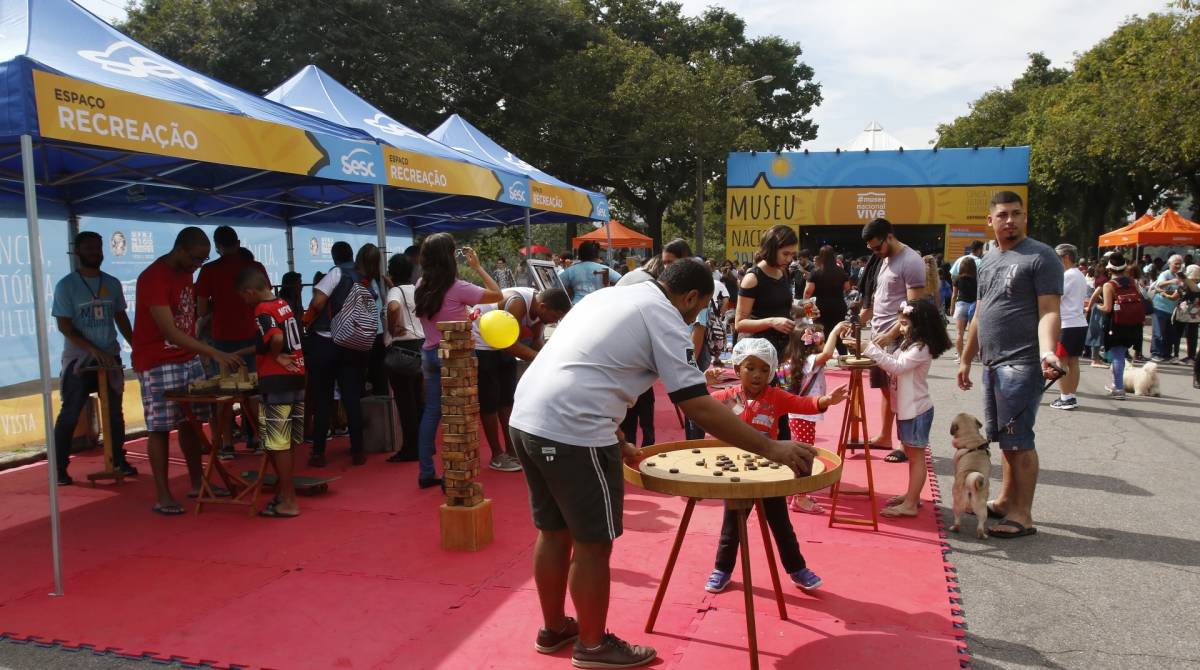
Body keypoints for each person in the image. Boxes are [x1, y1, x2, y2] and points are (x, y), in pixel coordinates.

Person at [508, 259, 815, 669]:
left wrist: (616, 436)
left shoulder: (607, 296)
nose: (695, 316)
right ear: (691, 297)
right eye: (699, 307)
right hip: (573, 431)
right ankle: (593, 646)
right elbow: (695, 403)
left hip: (527, 417)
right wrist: (771, 447)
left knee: (553, 531)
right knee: (593, 543)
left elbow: (585, 366)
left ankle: (553, 628)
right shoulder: (665, 317)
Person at [701, 337, 847, 595]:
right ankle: (722, 569)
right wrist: (705, 381)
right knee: (732, 526)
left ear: (771, 372)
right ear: (737, 369)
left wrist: (826, 401)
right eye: (750, 368)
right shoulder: (727, 397)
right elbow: (701, 407)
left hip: (771, 472)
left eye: (764, 369)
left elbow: (801, 404)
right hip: (738, 474)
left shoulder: (775, 397)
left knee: (781, 524)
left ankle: (797, 568)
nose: (757, 374)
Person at [957, 191, 1062, 540]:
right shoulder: (988, 260)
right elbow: (980, 313)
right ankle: (1003, 500)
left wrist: (1047, 352)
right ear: (990, 220)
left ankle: (1023, 515)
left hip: (1021, 361)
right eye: (1003, 215)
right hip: (992, 362)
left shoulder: (1041, 256)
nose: (1010, 221)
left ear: (1024, 218)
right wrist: (965, 358)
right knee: (1004, 441)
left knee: (1020, 442)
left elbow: (1049, 310)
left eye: (1017, 214)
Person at [132, 227, 243, 515]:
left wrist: (199, 352)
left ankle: (198, 483)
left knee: (191, 423)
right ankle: (163, 495)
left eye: (203, 261)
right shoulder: (153, 277)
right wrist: (214, 352)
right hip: (158, 361)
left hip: (188, 356)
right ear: (180, 250)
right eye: (196, 259)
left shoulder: (186, 272)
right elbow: (168, 329)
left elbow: (187, 319)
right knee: (158, 427)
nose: (198, 266)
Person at [414, 235, 502, 489]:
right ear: (450, 256)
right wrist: (478, 267)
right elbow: (497, 294)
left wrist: (466, 317)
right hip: (456, 357)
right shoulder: (459, 287)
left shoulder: (421, 284)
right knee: (462, 415)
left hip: (430, 354)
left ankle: (426, 471)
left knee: (432, 413)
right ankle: (455, 476)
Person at [51, 231, 136, 485]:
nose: (94, 253)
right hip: (79, 361)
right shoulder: (66, 286)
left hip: (109, 357)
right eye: (88, 248)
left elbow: (121, 318)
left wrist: (135, 344)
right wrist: (90, 349)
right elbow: (65, 327)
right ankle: (58, 468)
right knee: (71, 412)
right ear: (77, 252)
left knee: (114, 414)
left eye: (98, 248)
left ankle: (118, 459)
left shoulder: (112, 283)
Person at [857, 299, 952, 517]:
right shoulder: (911, 344)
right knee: (912, 454)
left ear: (920, 325)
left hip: (916, 409)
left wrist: (870, 349)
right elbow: (894, 364)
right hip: (908, 408)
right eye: (900, 323)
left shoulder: (921, 347)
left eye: (905, 324)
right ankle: (912, 495)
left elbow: (897, 367)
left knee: (917, 457)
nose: (901, 328)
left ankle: (910, 503)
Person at [473, 287, 572, 471]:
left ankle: (513, 451)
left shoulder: (540, 312)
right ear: (543, 307)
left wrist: (554, 362)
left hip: (502, 344)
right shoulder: (517, 303)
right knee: (490, 403)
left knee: (508, 401)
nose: (555, 321)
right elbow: (508, 344)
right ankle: (497, 455)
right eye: (555, 317)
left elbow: (536, 342)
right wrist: (540, 359)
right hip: (483, 345)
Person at [235, 267, 305, 518]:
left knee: (279, 442)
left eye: (243, 297)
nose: (245, 302)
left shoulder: (262, 310)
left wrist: (276, 357)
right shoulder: (282, 304)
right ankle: (284, 493)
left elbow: (275, 339)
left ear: (250, 292)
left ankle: (288, 499)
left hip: (278, 380)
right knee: (287, 441)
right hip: (296, 377)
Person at [195, 225, 268, 459]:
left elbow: (202, 309)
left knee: (223, 393)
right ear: (237, 241)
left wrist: (220, 305)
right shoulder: (255, 267)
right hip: (252, 332)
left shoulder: (209, 271)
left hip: (222, 338)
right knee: (255, 391)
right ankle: (258, 439)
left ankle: (226, 444)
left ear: (217, 246)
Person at [860, 218, 926, 464]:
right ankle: (885, 436)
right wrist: (859, 321)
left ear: (889, 236)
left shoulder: (910, 261)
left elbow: (913, 308)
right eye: (872, 249)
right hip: (881, 335)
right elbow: (881, 298)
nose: (875, 253)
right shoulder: (884, 259)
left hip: (899, 338)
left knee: (903, 392)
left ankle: (904, 443)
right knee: (888, 391)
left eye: (878, 247)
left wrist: (891, 335)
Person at [302, 241, 373, 467]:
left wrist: (308, 319)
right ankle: (358, 451)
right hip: (353, 342)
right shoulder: (364, 276)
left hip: (326, 341)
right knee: (352, 397)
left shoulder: (336, 273)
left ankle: (319, 452)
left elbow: (319, 301)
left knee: (322, 398)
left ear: (334, 257)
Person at [735, 224, 801, 441]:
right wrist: (772, 321)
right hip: (757, 356)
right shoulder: (753, 277)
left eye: (792, 254)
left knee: (780, 410)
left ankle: (785, 459)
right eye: (786, 253)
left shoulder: (784, 273)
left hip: (780, 353)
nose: (789, 259)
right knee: (758, 414)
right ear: (772, 248)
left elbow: (782, 308)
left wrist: (803, 309)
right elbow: (739, 323)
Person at [782, 323, 841, 514]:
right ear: (812, 344)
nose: (825, 345)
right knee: (805, 456)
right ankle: (800, 498)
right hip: (803, 415)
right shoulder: (811, 360)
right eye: (822, 341)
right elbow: (828, 354)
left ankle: (796, 491)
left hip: (800, 414)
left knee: (801, 453)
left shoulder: (801, 360)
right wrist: (835, 330)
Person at [383, 253, 424, 463]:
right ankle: (423, 445)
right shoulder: (417, 290)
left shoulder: (394, 292)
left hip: (402, 348)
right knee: (418, 401)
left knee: (405, 402)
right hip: (421, 346)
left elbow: (393, 306)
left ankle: (410, 447)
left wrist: (393, 327)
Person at [1096, 254, 1142, 400]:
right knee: (1121, 353)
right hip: (1132, 323)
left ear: (1110, 269)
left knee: (1117, 355)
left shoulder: (1109, 285)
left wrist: (1097, 306)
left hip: (1116, 323)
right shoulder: (1132, 282)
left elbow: (1108, 308)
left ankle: (1118, 387)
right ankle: (1117, 385)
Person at [1051, 244, 1089, 410]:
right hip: (1078, 323)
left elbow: (1055, 298)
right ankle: (1070, 395)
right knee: (1073, 362)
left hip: (1067, 324)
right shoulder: (1079, 274)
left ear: (1065, 257)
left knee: (1061, 362)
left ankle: (1066, 397)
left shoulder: (1067, 275)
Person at [804, 245, 850, 355]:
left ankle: (819, 359)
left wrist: (808, 311)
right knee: (838, 332)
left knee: (819, 333)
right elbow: (847, 287)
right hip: (838, 306)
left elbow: (807, 293)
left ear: (820, 257)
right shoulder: (841, 271)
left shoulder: (815, 273)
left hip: (820, 308)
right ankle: (843, 355)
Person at [1150, 254, 1184, 362]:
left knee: (1169, 333)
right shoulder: (1166, 274)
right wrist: (1171, 281)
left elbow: (1181, 290)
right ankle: (1156, 353)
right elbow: (1159, 284)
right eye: (1176, 263)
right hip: (1159, 307)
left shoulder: (1181, 276)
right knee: (1159, 331)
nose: (1178, 266)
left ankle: (1166, 354)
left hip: (1172, 310)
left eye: (1180, 264)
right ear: (1169, 264)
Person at [950, 256, 978, 361]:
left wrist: (952, 308)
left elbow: (954, 295)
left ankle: (960, 356)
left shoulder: (957, 279)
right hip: (974, 306)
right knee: (972, 334)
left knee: (959, 333)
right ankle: (972, 356)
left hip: (961, 305)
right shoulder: (977, 279)